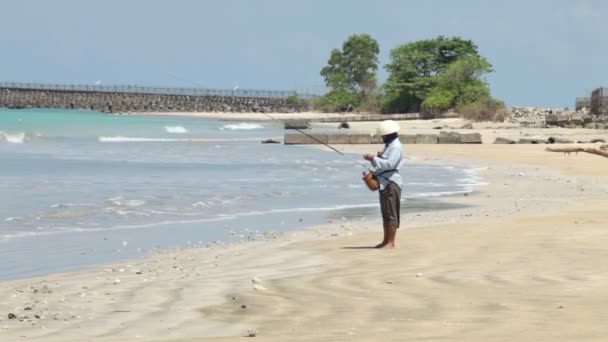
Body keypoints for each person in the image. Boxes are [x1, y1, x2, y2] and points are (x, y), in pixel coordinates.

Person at [363, 120, 403, 249]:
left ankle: (390, 242)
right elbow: (386, 161)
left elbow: (390, 164)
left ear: (387, 135)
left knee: (391, 212)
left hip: (391, 182)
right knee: (386, 212)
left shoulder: (396, 146)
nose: (382, 138)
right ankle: (386, 241)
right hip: (384, 182)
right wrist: (378, 157)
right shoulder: (390, 145)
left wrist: (373, 158)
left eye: (383, 136)